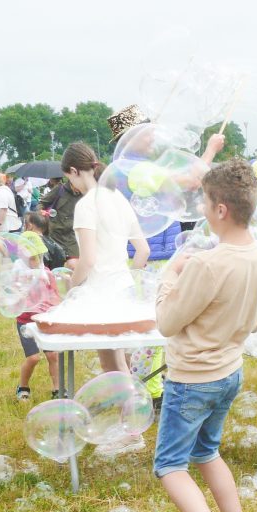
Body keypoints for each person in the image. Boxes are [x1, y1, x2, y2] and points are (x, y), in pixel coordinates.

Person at [153, 159, 257, 512]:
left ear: (221, 209)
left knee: (169, 465)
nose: (202, 208)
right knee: (208, 452)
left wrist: (169, 277)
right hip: (229, 372)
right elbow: (255, 322)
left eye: (205, 201)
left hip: (192, 379)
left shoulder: (207, 265)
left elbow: (167, 321)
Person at [61, 143, 150, 375]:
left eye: (69, 179)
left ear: (74, 171)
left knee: (113, 367)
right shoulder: (118, 197)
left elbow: (88, 260)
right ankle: (135, 408)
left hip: (101, 293)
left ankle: (131, 411)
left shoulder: (86, 205)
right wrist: (126, 276)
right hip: (125, 289)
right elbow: (143, 251)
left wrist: (72, 285)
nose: (71, 185)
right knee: (124, 364)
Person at [13, 230, 61, 401]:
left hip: (44, 320)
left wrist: (56, 308)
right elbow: (12, 298)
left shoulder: (45, 273)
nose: (36, 261)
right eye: (31, 257)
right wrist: (20, 293)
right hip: (25, 321)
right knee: (33, 358)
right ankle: (23, 386)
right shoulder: (18, 274)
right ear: (22, 257)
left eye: (38, 257)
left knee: (53, 355)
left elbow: (55, 295)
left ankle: (57, 389)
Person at [38, 176, 83, 266]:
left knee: (74, 264)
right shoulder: (60, 189)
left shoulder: (85, 193)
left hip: (72, 236)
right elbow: (41, 203)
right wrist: (40, 211)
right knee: (56, 264)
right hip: (55, 235)